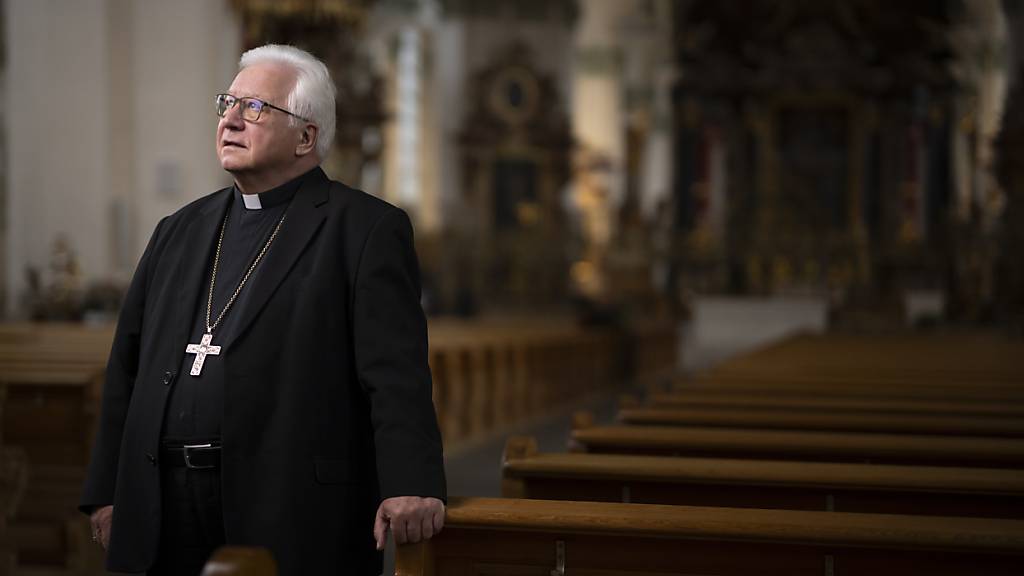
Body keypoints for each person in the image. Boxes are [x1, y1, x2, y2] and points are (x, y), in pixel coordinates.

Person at [79, 44, 446, 575]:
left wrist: (411, 482)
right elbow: (126, 369)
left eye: (254, 108)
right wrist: (109, 490)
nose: (229, 119)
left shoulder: (363, 229)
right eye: (227, 103)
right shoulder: (179, 230)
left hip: (287, 502)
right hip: (159, 500)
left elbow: (395, 373)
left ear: (306, 136)